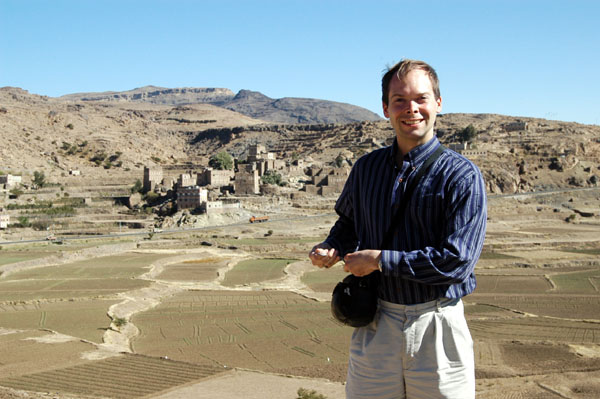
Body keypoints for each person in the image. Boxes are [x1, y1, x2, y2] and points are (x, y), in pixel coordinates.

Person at [309, 59, 487, 399]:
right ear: (386, 108)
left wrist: (379, 260)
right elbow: (348, 223)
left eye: (421, 98)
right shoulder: (367, 168)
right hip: (378, 320)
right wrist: (332, 247)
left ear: (438, 103)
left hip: (437, 324)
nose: (411, 109)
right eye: (400, 100)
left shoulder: (462, 176)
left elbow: (458, 261)